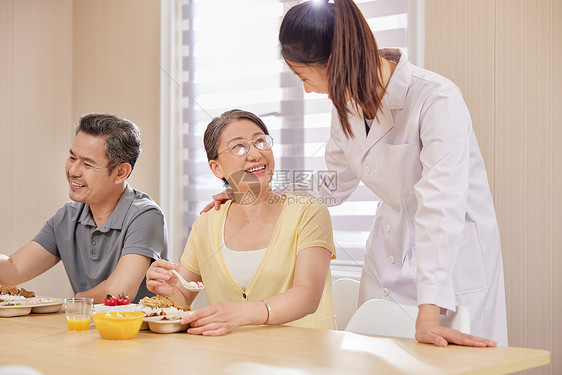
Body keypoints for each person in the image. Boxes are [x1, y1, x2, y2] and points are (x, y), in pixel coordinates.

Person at [207, 0, 508, 346]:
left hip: (451, 266)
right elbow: (331, 185)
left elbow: (440, 209)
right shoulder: (346, 106)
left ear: (335, 63)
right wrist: (255, 190)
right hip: (388, 255)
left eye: (304, 76)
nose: (306, 89)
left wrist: (428, 312)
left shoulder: (436, 100)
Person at [146, 109, 336, 336]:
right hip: (232, 360)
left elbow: (307, 295)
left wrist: (241, 313)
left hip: (305, 359)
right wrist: (168, 290)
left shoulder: (310, 213)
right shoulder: (206, 224)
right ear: (217, 168)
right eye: (238, 147)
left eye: (260, 141)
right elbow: (181, 296)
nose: (255, 154)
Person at [0, 113, 168, 303]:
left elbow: (120, 291)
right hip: (86, 330)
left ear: (121, 172)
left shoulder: (145, 215)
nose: (73, 171)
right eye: (72, 158)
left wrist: (76, 301)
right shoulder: (67, 217)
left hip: (136, 331)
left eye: (87, 164)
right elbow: (13, 270)